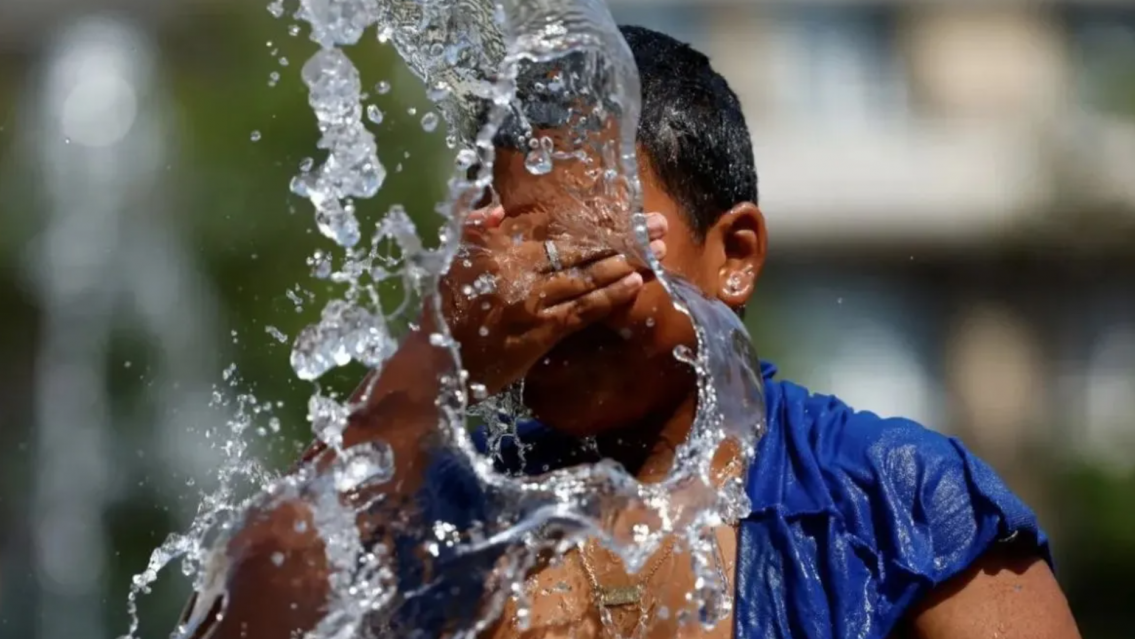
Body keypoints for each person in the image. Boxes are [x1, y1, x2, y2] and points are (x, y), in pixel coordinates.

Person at [179, 25, 1081, 639]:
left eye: (581, 249)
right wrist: (428, 364)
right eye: (503, 255)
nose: (539, 296)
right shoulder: (439, 512)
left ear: (733, 255)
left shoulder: (889, 505)